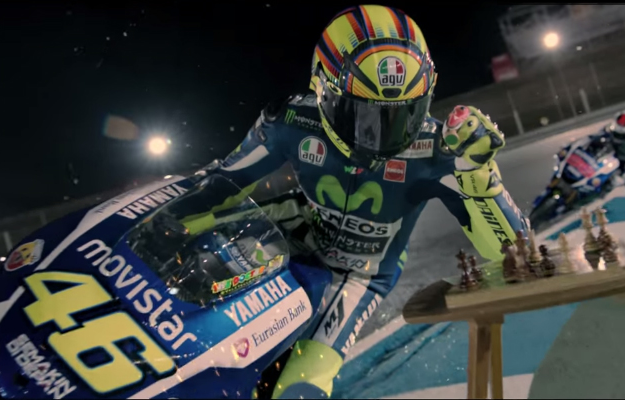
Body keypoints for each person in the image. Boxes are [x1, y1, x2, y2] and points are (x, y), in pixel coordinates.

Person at [194, 5, 530, 399]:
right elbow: (219, 186)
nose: (383, 137)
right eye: (362, 115)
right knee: (207, 346)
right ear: (322, 89)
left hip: (360, 277)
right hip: (288, 241)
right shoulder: (290, 121)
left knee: (300, 388)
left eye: (405, 115)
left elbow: (514, 253)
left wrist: (478, 178)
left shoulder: (441, 151)